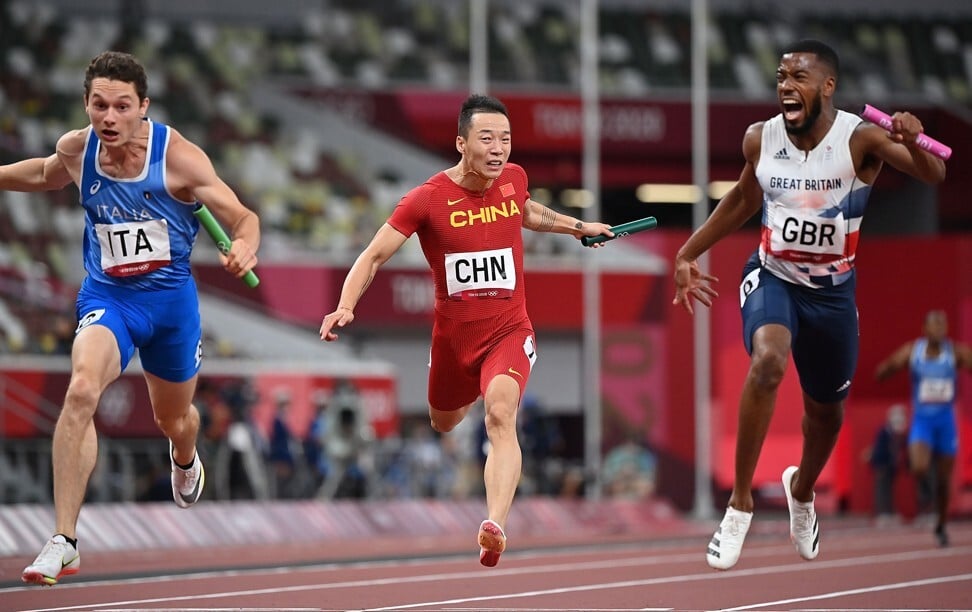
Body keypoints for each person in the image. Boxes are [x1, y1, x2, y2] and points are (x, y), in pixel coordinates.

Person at [671, 39, 947, 570]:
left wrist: (914, 143)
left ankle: (802, 490)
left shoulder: (860, 138)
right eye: (780, 76)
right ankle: (739, 506)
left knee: (826, 414)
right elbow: (746, 199)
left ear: (827, 87)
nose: (784, 86)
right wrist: (688, 251)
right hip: (774, 277)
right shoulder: (761, 138)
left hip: (834, 294)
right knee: (769, 361)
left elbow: (932, 175)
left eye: (797, 77)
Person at [319, 94, 613, 567]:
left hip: (509, 330)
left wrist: (578, 227)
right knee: (445, 421)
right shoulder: (426, 200)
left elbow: (528, 212)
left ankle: (494, 524)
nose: (499, 149)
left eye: (507, 140)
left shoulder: (513, 180)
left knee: (500, 414)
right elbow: (373, 255)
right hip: (454, 342)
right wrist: (345, 306)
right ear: (461, 142)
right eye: (488, 139)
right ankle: (463, 394)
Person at [0, 51, 260, 586]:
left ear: (144, 107)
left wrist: (244, 247)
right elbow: (47, 174)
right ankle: (64, 540)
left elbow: (243, 217)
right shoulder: (79, 149)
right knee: (80, 391)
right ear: (87, 105)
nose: (109, 118)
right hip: (110, 299)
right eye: (99, 106)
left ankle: (185, 457)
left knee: (174, 420)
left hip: (170, 309)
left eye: (122, 107)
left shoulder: (180, 158)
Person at [874, 310, 972, 546]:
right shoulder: (913, 351)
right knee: (918, 466)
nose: (939, 330)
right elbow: (888, 366)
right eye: (934, 326)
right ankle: (928, 490)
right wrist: (886, 371)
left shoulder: (955, 353)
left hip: (946, 421)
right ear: (925, 329)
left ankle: (940, 523)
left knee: (944, 480)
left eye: (942, 326)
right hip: (922, 421)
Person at [862, 403, 909, 523]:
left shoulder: (900, 435)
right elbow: (879, 451)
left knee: (889, 490)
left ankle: (889, 512)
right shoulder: (883, 432)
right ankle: (883, 513)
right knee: (882, 489)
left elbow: (903, 450)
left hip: (892, 467)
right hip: (882, 465)